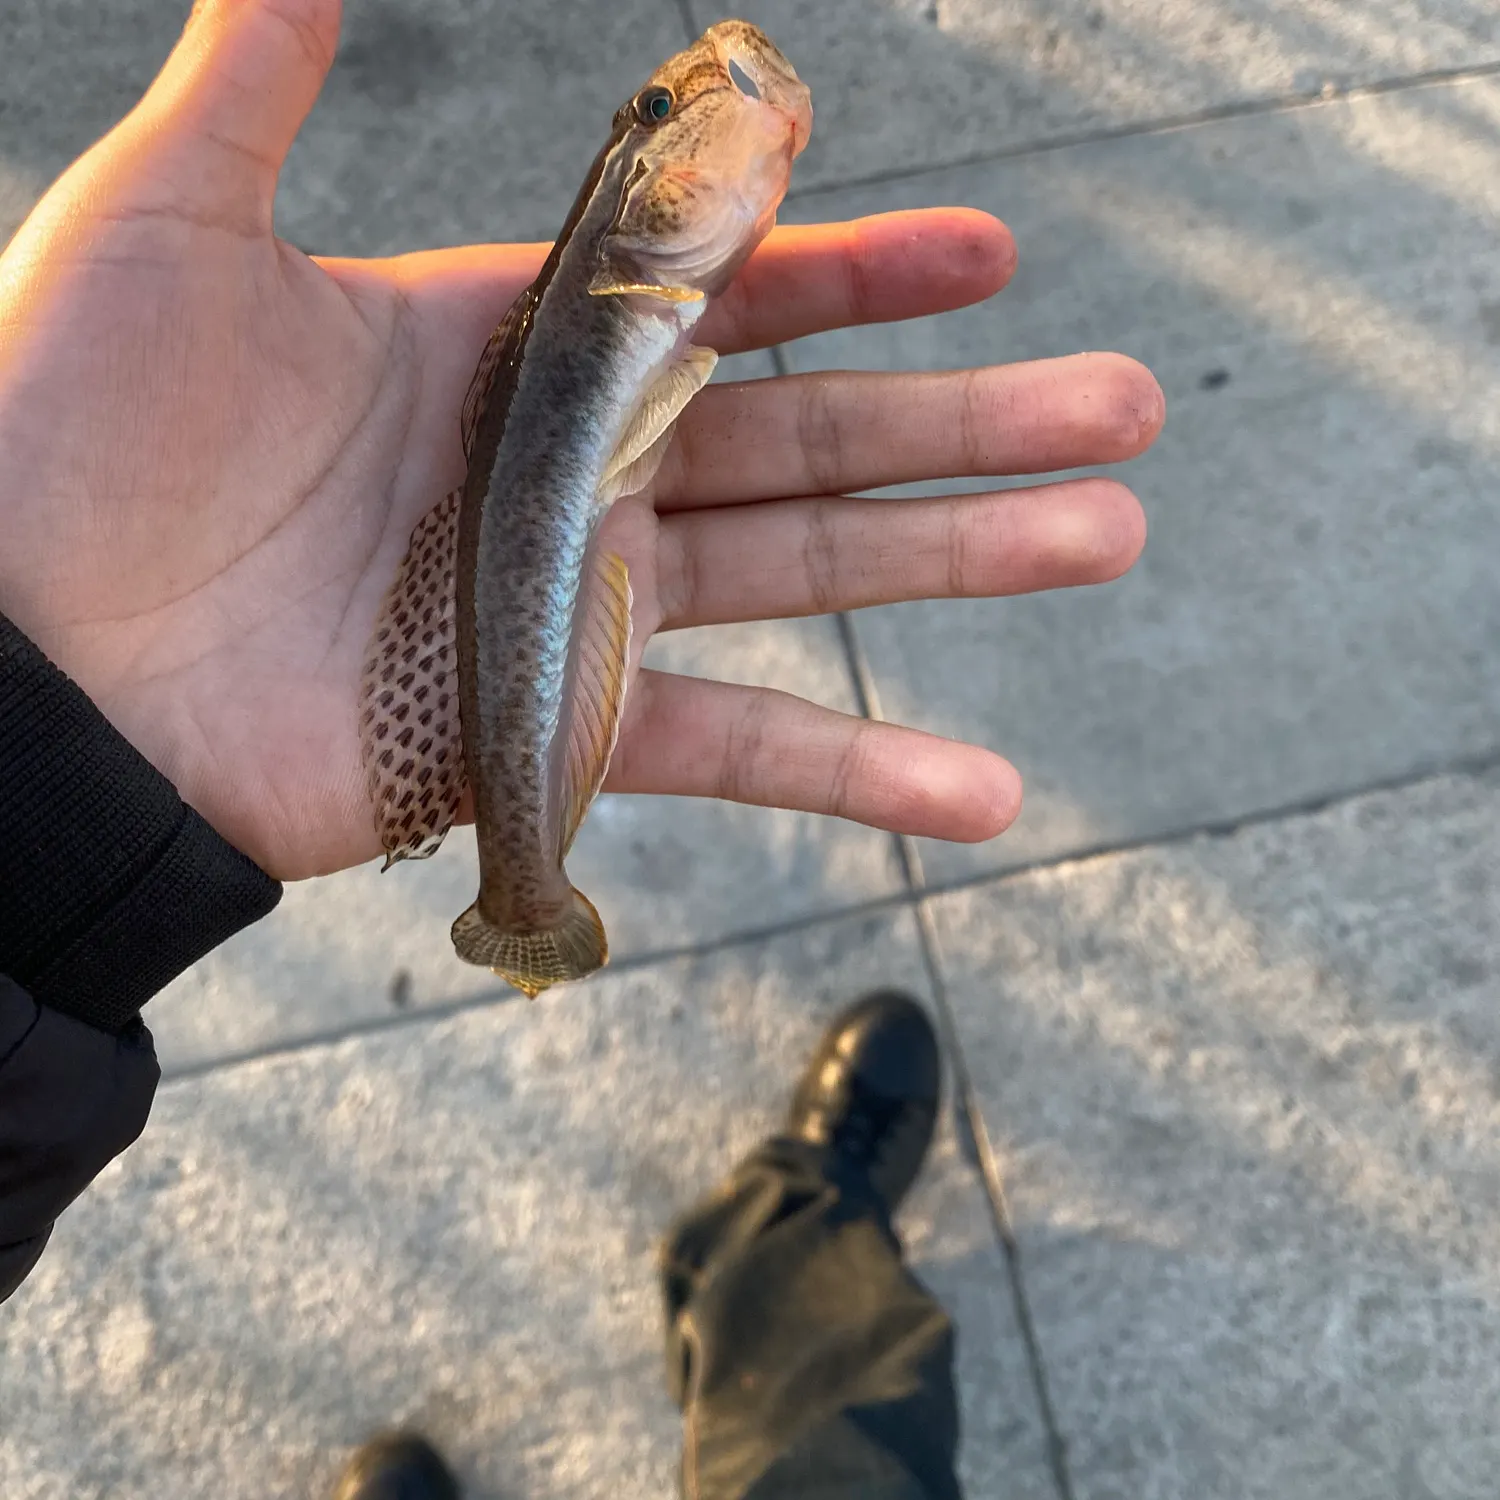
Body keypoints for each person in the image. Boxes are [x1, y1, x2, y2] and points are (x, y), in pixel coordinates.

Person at [0, 0, 1163, 1491]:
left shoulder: (633, 274)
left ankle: (776, 1224)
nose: (701, 100)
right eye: (662, 107)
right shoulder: (622, 264)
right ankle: (791, 1226)